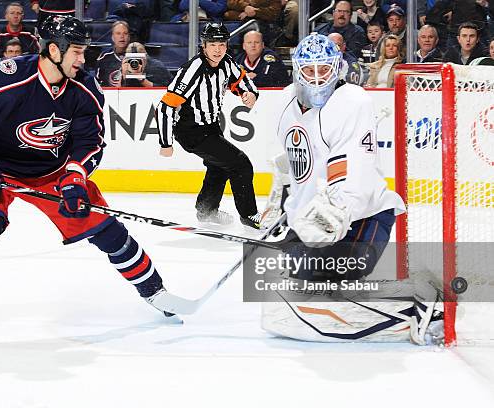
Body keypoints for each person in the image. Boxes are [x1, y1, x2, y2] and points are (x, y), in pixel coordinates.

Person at [0, 16, 179, 344]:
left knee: (109, 232)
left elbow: (89, 142)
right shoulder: (11, 80)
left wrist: (76, 177)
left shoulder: (85, 89)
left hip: (52, 174)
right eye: (77, 52)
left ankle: (155, 291)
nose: (83, 60)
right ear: (54, 50)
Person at [259, 33, 443, 345]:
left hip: (362, 218)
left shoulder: (352, 101)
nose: (317, 78)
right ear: (297, 71)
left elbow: (354, 169)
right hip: (309, 223)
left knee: (307, 295)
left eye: (324, 70)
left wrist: (336, 213)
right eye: (309, 71)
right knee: (280, 300)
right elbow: (290, 161)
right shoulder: (286, 101)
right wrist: (280, 206)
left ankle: (420, 303)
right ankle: (398, 301)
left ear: (338, 69)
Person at [155, 22, 263, 229]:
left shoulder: (227, 63)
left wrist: (250, 94)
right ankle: (249, 216)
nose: (217, 49)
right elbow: (165, 107)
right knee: (240, 164)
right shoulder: (193, 69)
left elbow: (243, 82)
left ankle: (206, 210)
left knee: (219, 166)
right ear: (203, 46)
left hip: (211, 127)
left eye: (221, 44)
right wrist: (166, 142)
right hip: (190, 131)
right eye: (212, 44)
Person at [95, 21, 130, 87]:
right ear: (112, 37)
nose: (122, 36)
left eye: (125, 33)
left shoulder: (137, 56)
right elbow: (97, 83)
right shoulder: (104, 58)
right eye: (118, 33)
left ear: (129, 37)